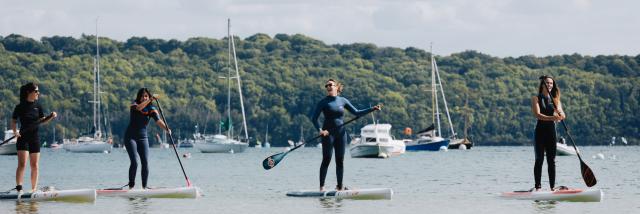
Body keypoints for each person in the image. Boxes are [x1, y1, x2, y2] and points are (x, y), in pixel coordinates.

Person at [311, 79, 381, 191]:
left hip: (341, 134)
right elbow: (314, 118)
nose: (328, 87)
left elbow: (357, 112)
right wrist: (320, 130)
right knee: (326, 159)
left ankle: (339, 187)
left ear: (336, 87)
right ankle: (322, 187)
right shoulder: (323, 102)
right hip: (328, 134)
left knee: (340, 160)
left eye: (330, 85)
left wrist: (372, 109)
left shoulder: (342, 100)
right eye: (326, 85)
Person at [11, 83, 57, 193]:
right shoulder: (20, 106)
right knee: (22, 164)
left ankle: (33, 189)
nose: (38, 93)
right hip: (23, 138)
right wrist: (15, 131)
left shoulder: (38, 106)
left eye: (38, 91)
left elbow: (42, 121)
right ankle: (19, 188)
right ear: (29, 92)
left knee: (35, 165)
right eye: (36, 91)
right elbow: (13, 120)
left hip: (35, 138)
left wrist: (51, 116)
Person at [124, 88, 170, 189]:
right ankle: (131, 186)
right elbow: (139, 108)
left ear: (148, 96)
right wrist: (150, 99)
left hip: (143, 138)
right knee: (135, 162)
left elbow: (158, 121)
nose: (144, 98)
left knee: (145, 162)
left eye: (146, 96)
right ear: (139, 97)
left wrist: (167, 129)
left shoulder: (151, 109)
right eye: (142, 96)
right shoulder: (134, 104)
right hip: (130, 137)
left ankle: (144, 188)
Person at [530, 75, 565, 191]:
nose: (549, 85)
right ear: (543, 85)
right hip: (540, 132)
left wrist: (558, 113)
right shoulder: (536, 98)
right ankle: (538, 187)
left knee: (552, 160)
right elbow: (537, 115)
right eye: (547, 83)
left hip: (551, 133)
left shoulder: (555, 100)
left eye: (551, 83)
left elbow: (562, 116)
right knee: (539, 159)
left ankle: (552, 187)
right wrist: (553, 118)